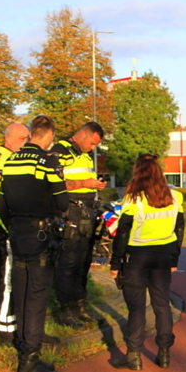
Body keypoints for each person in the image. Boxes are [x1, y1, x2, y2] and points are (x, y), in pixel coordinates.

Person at [0, 115, 69, 372]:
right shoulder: (48, 161)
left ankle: (27, 352)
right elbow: (62, 203)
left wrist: (14, 227)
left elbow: (0, 206)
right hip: (41, 237)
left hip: (17, 235)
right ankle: (29, 363)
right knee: (37, 299)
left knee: (23, 294)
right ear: (48, 134)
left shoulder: (10, 161)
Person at [109, 153, 185, 370]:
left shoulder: (133, 199)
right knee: (162, 305)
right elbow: (180, 228)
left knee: (137, 308)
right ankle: (164, 353)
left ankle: (133, 355)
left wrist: (115, 264)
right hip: (163, 256)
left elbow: (122, 234)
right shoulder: (175, 196)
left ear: (138, 173)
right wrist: (175, 257)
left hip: (136, 257)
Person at [52, 122, 108, 328]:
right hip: (70, 213)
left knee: (83, 262)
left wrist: (95, 185)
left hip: (86, 213)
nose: (92, 148)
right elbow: (53, 182)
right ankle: (66, 311)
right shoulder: (60, 151)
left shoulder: (83, 155)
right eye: (92, 143)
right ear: (82, 135)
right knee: (68, 263)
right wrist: (84, 184)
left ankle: (80, 307)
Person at [0, 122, 30, 346]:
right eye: (22, 139)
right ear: (8, 139)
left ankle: (23, 329)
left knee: (21, 280)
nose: (26, 143)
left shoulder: (14, 160)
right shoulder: (0, 163)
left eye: (28, 138)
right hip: (4, 227)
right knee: (9, 281)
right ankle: (6, 334)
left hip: (16, 227)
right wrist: (6, 228)